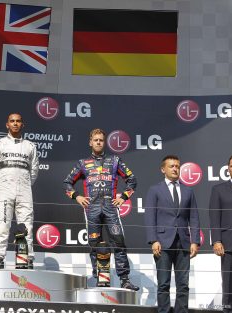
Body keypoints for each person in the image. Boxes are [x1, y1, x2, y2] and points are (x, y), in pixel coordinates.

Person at [63, 128, 139, 290]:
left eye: (101, 140)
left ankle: (124, 279)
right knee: (94, 244)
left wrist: (123, 197)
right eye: (95, 140)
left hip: (111, 207)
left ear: (104, 142)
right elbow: (67, 183)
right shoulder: (83, 164)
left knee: (119, 242)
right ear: (90, 142)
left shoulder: (115, 161)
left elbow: (132, 180)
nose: (98, 142)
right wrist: (77, 196)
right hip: (92, 209)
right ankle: (99, 278)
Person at [144, 155, 200, 313]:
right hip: (162, 242)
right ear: (163, 169)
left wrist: (194, 241)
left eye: (177, 166)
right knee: (163, 283)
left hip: (183, 243)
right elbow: (150, 217)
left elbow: (194, 217)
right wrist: (153, 240)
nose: (175, 169)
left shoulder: (188, 191)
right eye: (172, 166)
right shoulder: (155, 190)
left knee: (183, 284)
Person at [0, 113, 39, 269]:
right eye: (12, 121)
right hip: (4, 191)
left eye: (18, 121)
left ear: (22, 124)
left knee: (27, 226)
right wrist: (3, 186)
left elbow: (34, 171)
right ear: (7, 124)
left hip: (25, 191)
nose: (15, 123)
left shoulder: (30, 146)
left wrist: (24, 185)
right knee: (2, 226)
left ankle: (27, 257)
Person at [209, 155, 232, 313]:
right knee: (229, 285)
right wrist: (217, 241)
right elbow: (214, 217)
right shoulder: (218, 190)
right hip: (228, 244)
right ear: (228, 168)